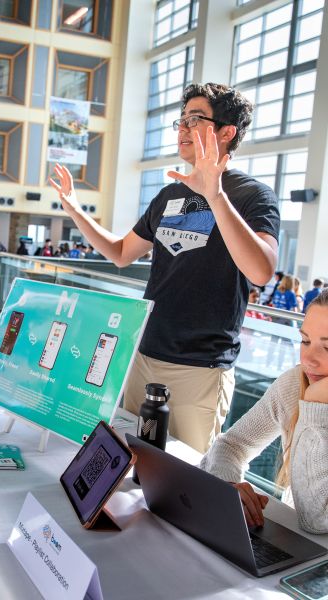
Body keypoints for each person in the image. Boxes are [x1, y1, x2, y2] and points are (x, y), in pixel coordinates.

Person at [51, 82, 280, 453]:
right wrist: (75, 210)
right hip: (142, 355)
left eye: (195, 119)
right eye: (181, 120)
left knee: (186, 479)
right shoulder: (170, 194)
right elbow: (122, 252)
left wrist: (214, 194)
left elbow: (261, 271)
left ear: (227, 132)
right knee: (128, 465)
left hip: (199, 369)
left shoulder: (252, 196)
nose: (183, 129)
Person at [200, 289, 328, 533]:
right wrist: (228, 487)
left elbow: (316, 520)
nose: (308, 359)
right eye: (305, 341)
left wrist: (315, 404)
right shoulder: (296, 382)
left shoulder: (311, 388)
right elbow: (231, 446)